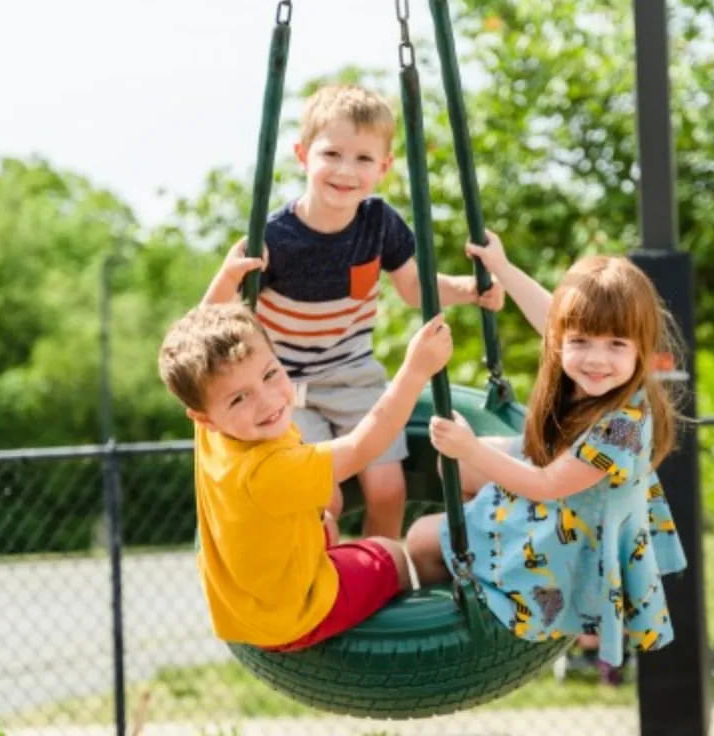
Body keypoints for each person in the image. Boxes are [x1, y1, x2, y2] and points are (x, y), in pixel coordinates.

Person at [202, 83, 504, 540]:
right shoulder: (273, 237)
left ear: (384, 167)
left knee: (388, 493)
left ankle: (379, 565)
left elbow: (413, 289)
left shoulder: (380, 225)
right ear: (302, 155)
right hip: (287, 386)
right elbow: (206, 324)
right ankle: (324, 572)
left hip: (354, 377)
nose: (346, 170)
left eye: (363, 158)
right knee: (326, 500)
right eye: (332, 154)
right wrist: (228, 275)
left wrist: (469, 289)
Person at [406, 232, 687, 668]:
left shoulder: (623, 425)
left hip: (564, 534)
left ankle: (455, 619)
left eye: (616, 344)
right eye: (581, 341)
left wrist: (471, 449)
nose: (595, 359)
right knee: (451, 468)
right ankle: (483, 538)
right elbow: (551, 314)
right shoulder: (590, 365)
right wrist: (501, 267)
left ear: (642, 348)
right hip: (560, 490)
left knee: (420, 536)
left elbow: (545, 485)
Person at [158, 301, 452, 650]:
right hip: (292, 618)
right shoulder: (268, 470)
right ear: (204, 418)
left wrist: (233, 277)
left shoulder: (214, 430)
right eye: (239, 399)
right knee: (392, 553)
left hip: (249, 604)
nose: (267, 401)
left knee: (326, 520)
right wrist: (416, 371)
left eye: (270, 374)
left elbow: (205, 322)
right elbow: (362, 447)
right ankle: (406, 645)